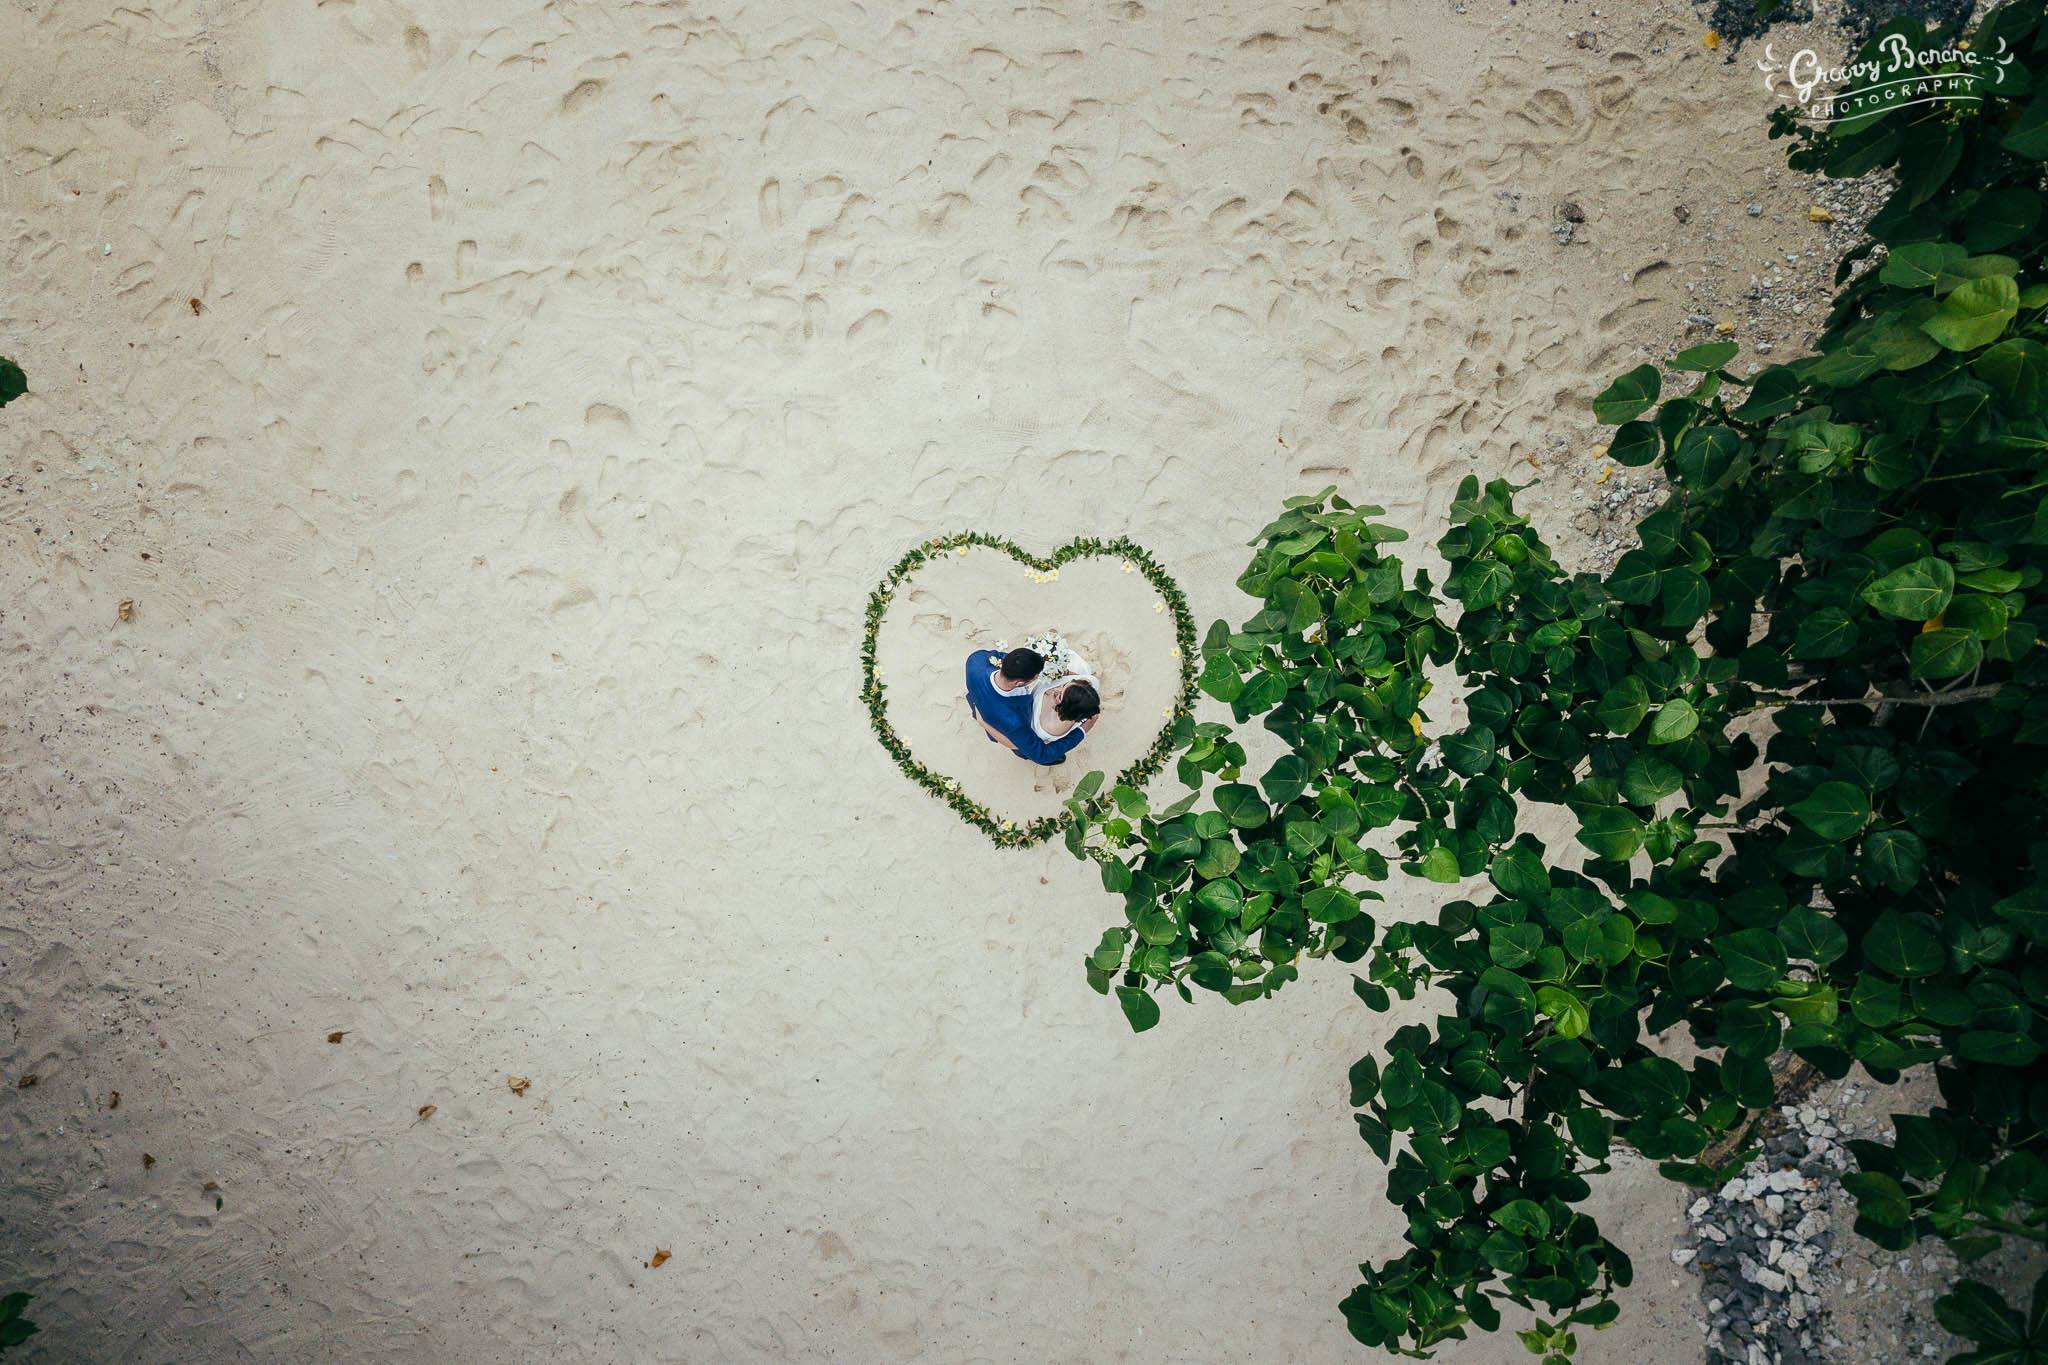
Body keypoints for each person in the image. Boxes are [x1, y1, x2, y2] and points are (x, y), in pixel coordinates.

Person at [963, 645, 1096, 765]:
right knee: (1023, 748)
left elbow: (1005, 657)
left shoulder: (975, 659)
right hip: (1003, 722)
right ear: (1019, 683)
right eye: (1036, 675)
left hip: (977, 698)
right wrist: (1082, 731)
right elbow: (1042, 755)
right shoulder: (1015, 722)